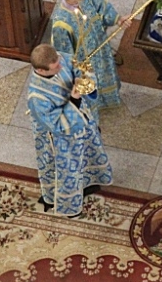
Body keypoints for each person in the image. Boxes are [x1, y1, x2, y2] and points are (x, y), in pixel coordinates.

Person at [27, 44, 113, 218]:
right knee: (69, 171)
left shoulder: (60, 58)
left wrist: (85, 79)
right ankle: (69, 206)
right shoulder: (36, 97)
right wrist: (74, 99)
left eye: (59, 62)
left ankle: (89, 183)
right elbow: (57, 125)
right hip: (60, 139)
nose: (61, 67)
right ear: (41, 71)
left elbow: (79, 68)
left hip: (82, 123)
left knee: (89, 153)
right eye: (55, 67)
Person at [50, 0, 124, 109]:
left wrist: (118, 20)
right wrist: (74, 72)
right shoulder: (61, 23)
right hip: (84, 63)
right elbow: (64, 53)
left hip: (101, 48)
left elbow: (102, 7)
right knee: (90, 86)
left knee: (105, 74)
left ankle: (108, 100)